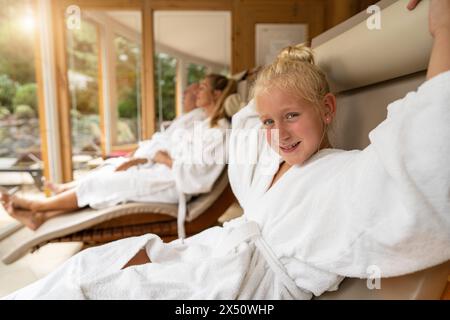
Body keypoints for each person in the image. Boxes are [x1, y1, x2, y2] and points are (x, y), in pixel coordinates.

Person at [4, 0, 450, 299]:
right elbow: (246, 123)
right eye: (271, 121)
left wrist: (443, 28)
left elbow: (419, 157)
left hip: (244, 297)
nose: (280, 134)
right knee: (97, 266)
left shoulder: (343, 176)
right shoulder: (267, 162)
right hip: (214, 259)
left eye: (293, 116)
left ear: (328, 108)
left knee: (93, 290)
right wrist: (270, 84)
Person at [1, 75, 235, 231]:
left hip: (171, 186)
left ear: (216, 94)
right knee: (106, 179)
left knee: (101, 184)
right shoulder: (205, 125)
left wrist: (163, 158)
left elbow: (197, 179)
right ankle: (41, 217)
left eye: (203, 88)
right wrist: (149, 158)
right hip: (162, 174)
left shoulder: (220, 132)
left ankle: (36, 206)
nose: (196, 93)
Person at [43, 82, 205, 195]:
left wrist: (142, 158)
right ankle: (67, 188)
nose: (183, 96)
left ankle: (64, 192)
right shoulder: (186, 118)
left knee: (110, 173)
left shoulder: (198, 120)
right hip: (151, 157)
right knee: (109, 166)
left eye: (188, 92)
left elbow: (171, 148)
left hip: (157, 165)